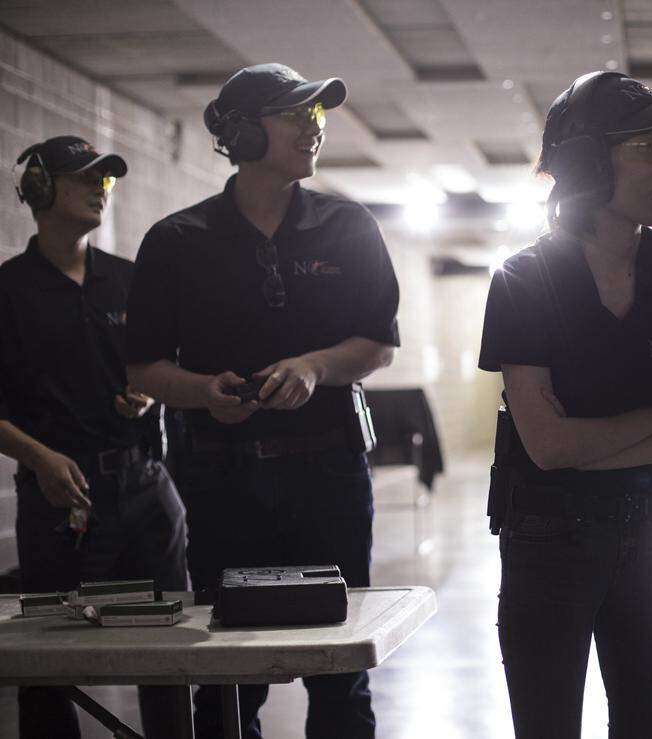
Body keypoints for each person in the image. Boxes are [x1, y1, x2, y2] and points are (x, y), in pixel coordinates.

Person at [125, 63, 400, 739]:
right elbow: (144, 366)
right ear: (244, 134)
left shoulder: (349, 225)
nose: (316, 127)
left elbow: (378, 344)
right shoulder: (176, 241)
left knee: (340, 669)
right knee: (225, 674)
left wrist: (314, 366)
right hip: (221, 477)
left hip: (329, 475)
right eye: (296, 115)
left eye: (318, 115)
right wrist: (201, 392)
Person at [478, 71, 652, 738]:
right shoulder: (524, 279)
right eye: (648, 146)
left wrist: (603, 436)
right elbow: (546, 446)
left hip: (650, 530)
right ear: (584, 161)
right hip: (545, 538)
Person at [0, 135, 189, 738]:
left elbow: (168, 365)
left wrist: (152, 391)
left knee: (169, 658)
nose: (99, 187)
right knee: (51, 669)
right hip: (61, 500)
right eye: (83, 176)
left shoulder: (130, 280)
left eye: (105, 177)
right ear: (38, 187)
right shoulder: (8, 290)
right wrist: (39, 457)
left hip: (145, 488)